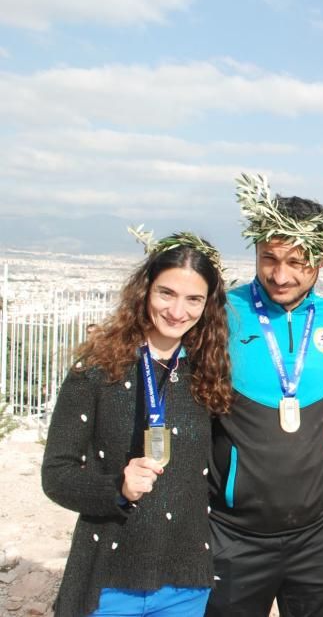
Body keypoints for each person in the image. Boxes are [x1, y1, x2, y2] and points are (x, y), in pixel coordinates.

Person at [41, 229, 232, 617]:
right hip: (108, 580)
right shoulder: (96, 371)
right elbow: (56, 474)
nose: (178, 311)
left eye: (193, 299)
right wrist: (116, 487)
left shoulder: (208, 373)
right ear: (145, 290)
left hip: (185, 584)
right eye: (167, 293)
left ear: (208, 305)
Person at [205, 173, 323, 617]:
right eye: (269, 258)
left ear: (322, 257)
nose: (280, 274)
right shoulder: (222, 313)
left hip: (320, 533)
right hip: (235, 534)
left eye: (297, 261)